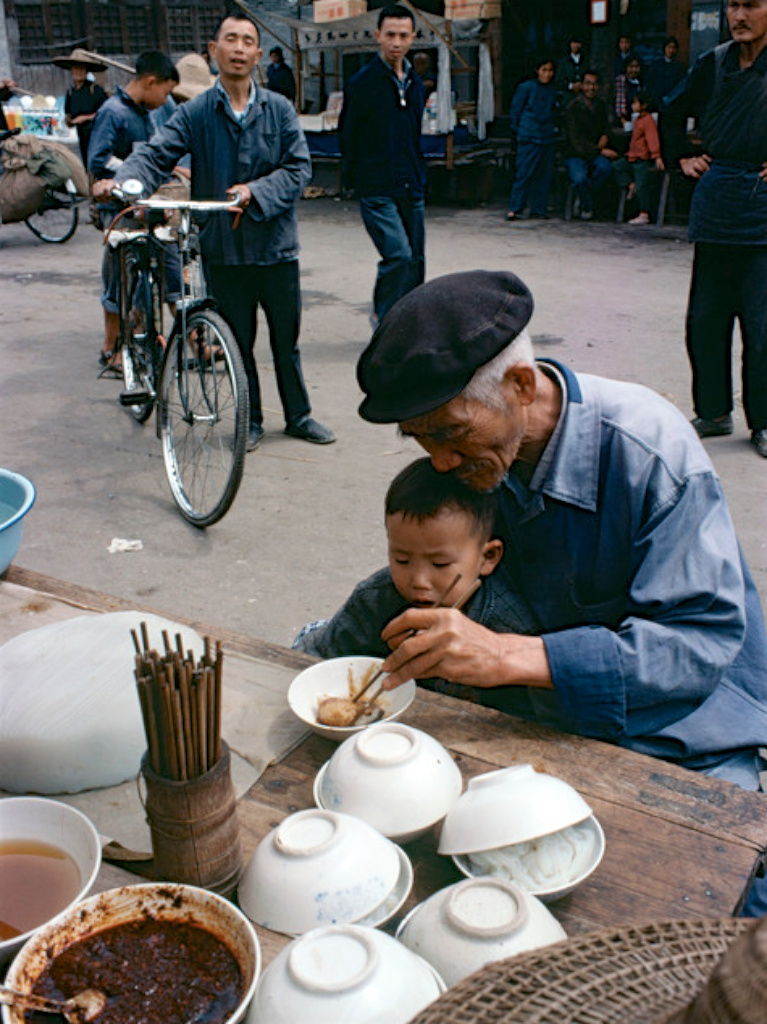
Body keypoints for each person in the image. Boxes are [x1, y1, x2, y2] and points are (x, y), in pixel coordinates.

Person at [355, 269, 767, 802]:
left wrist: (507, 656)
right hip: (547, 716)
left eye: (450, 431)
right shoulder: (471, 461)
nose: (440, 460)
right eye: (420, 438)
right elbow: (434, 562)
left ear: (521, 385)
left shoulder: (648, 450)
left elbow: (699, 643)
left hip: (687, 730)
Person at [98, 12, 335, 450]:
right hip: (223, 249)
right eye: (231, 40)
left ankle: (299, 416)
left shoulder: (279, 108)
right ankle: (251, 420)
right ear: (214, 50)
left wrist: (256, 192)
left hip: (276, 247)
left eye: (248, 41)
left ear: (259, 54)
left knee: (287, 340)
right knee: (238, 342)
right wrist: (127, 181)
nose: (240, 49)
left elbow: (299, 168)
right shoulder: (196, 112)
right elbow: (156, 153)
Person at [294, 457, 536, 660]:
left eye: (440, 564)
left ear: (488, 557)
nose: (419, 580)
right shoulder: (373, 599)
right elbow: (322, 656)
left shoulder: (509, 626)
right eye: (402, 559)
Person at [663, 0, 767, 459]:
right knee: (705, 319)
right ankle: (713, 412)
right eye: (733, 6)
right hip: (716, 202)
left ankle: (764, 422)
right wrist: (680, 157)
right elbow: (668, 112)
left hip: (762, 210)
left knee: (763, 327)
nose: (739, 16)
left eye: (752, 5)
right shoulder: (714, 63)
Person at [88, 51, 181, 373]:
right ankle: (111, 347)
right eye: (166, 92)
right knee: (118, 279)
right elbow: (98, 161)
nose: (166, 99)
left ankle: (193, 339)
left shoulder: (153, 112)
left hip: (153, 205)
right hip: (120, 208)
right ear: (151, 81)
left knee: (172, 267)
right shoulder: (112, 112)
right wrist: (132, 174)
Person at [339, 4, 426, 326]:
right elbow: (348, 135)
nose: (396, 43)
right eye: (390, 35)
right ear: (377, 35)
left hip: (411, 182)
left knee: (415, 261)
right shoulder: (363, 83)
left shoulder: (416, 84)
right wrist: (358, 177)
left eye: (403, 36)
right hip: (376, 186)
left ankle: (412, 324)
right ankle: (384, 319)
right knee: (398, 255)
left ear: (413, 38)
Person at [506, 59, 558, 222]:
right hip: (529, 135)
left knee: (543, 175)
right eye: (544, 70)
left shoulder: (552, 91)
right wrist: (520, 131)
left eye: (550, 71)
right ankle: (515, 208)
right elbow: (516, 111)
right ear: (537, 70)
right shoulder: (526, 87)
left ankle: (538, 208)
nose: (547, 74)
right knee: (524, 173)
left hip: (546, 135)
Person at [563, 70, 618, 220]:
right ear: (581, 85)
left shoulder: (600, 105)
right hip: (576, 153)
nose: (591, 88)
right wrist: (599, 150)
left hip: (595, 153)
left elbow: (607, 126)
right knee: (579, 178)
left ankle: (583, 198)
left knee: (605, 169)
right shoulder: (573, 107)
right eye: (588, 84)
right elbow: (575, 140)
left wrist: (606, 136)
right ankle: (586, 204)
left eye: (594, 84)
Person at [612, 89, 664, 224]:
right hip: (632, 156)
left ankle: (644, 212)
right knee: (617, 166)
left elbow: (652, 139)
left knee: (642, 185)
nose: (633, 106)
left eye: (635, 103)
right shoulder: (637, 120)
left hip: (642, 158)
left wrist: (656, 155)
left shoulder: (648, 120)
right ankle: (630, 184)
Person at [52, 48, 108, 166]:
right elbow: (69, 116)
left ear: (87, 71)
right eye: (76, 68)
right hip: (82, 137)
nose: (78, 72)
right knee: (85, 164)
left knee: (96, 165)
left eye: (82, 68)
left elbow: (106, 113)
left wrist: (85, 117)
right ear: (71, 70)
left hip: (97, 136)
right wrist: (69, 121)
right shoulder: (71, 92)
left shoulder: (95, 90)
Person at [645, 36, 685, 106]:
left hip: (673, 101)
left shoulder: (679, 67)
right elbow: (650, 82)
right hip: (657, 100)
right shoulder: (656, 65)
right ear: (664, 48)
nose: (671, 50)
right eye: (669, 47)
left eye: (673, 48)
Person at [613, 55, 642, 126]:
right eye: (631, 67)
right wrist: (624, 121)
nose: (634, 70)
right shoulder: (621, 80)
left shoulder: (640, 82)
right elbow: (620, 102)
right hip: (624, 119)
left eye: (636, 67)